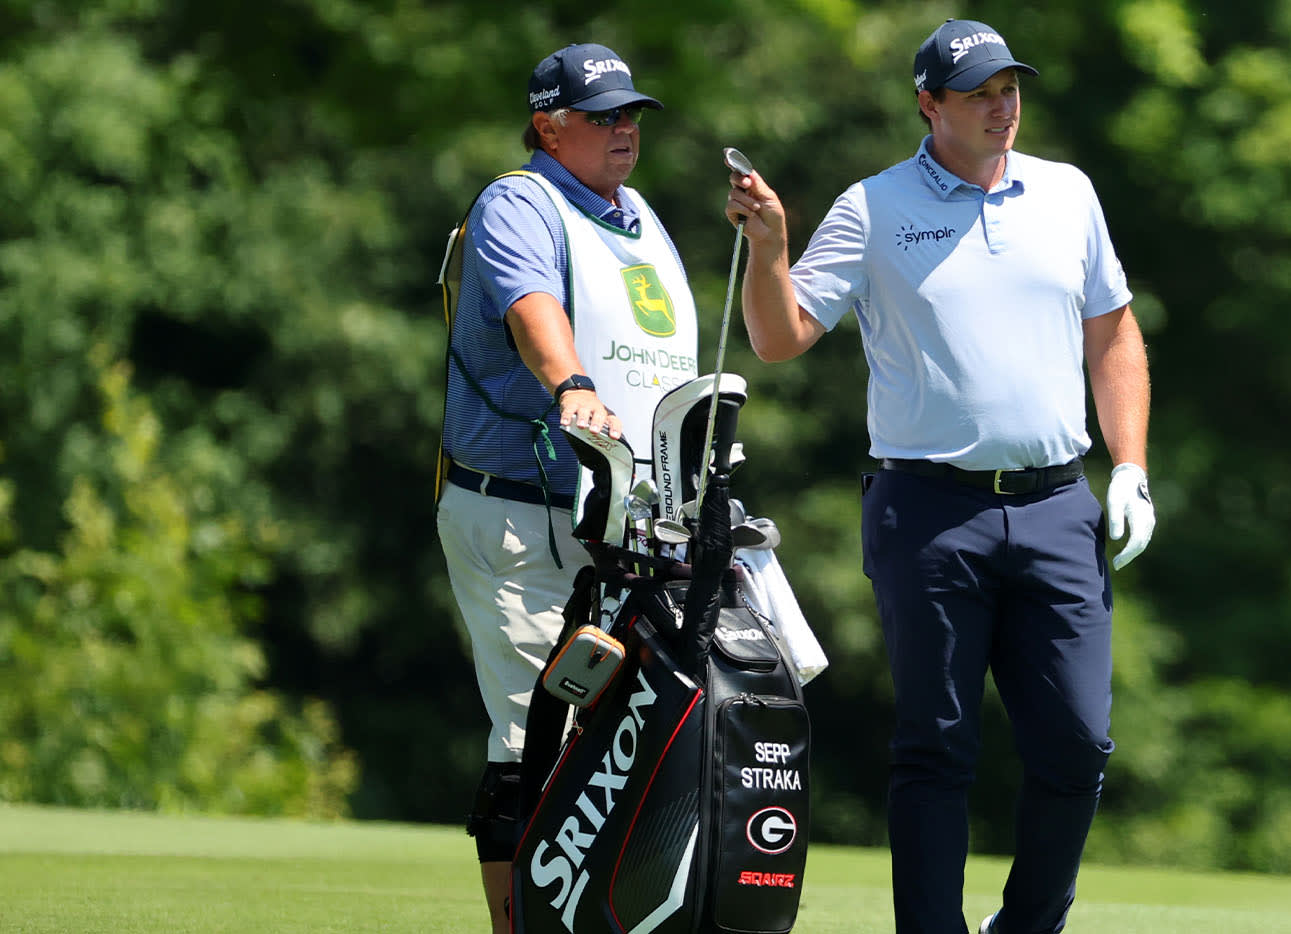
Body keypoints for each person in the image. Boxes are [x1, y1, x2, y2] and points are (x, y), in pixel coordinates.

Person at [724, 18, 1155, 934]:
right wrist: (769, 251)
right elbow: (780, 337)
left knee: (1078, 746)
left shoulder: (1067, 193)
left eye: (1010, 89)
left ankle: (1028, 925)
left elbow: (1112, 331)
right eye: (979, 94)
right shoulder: (873, 207)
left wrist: (1130, 466)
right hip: (927, 513)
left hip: (1054, 508)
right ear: (930, 105)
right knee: (937, 749)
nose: (1003, 107)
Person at [435, 42, 697, 933]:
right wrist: (573, 387)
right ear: (549, 124)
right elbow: (532, 310)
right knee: (534, 740)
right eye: (603, 115)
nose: (626, 129)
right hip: (517, 512)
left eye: (632, 114)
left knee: (620, 743)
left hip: (620, 522)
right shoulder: (521, 200)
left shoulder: (637, 215)